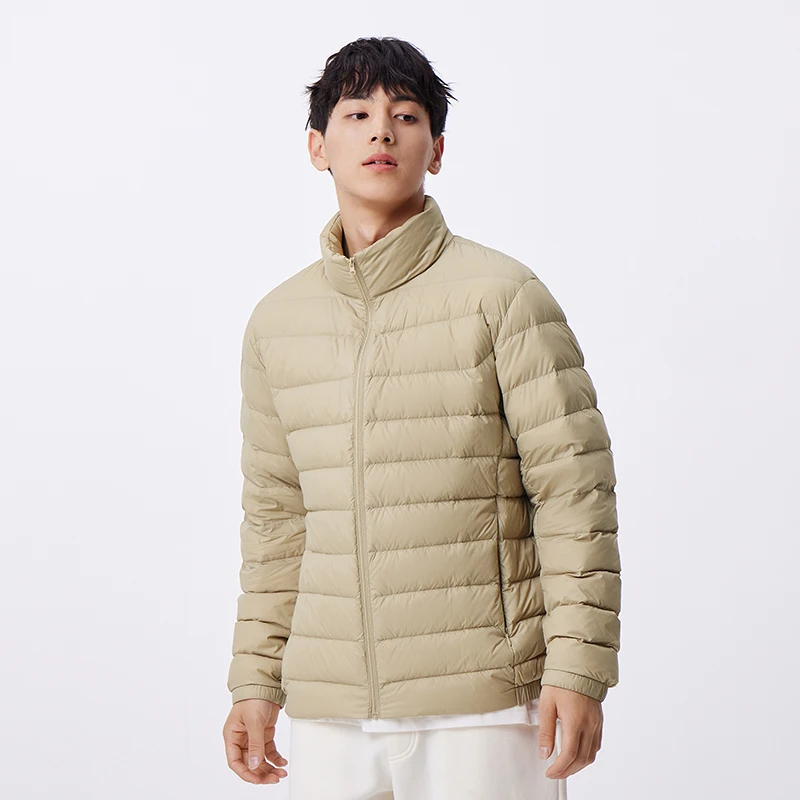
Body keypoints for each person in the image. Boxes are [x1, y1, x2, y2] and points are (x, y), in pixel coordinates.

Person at [222, 36, 621, 799]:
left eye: (405, 116)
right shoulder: (277, 322)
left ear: (435, 150)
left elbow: (575, 494)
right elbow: (276, 521)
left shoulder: (503, 296)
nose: (382, 130)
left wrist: (578, 668)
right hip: (331, 714)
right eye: (358, 113)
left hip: (488, 709)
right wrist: (256, 680)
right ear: (317, 146)